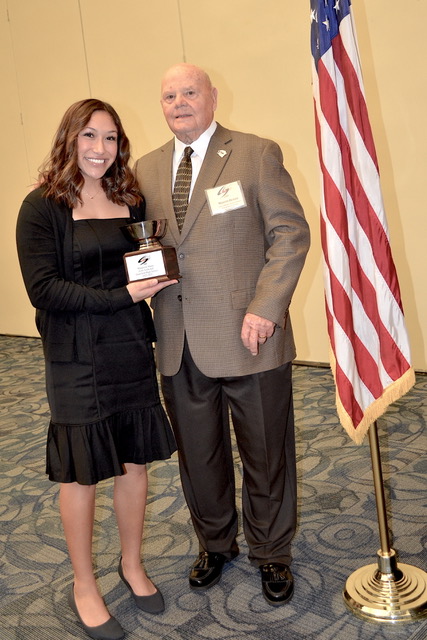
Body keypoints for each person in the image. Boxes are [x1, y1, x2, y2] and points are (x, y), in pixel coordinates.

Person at [134, 64, 310, 606]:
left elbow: (289, 234)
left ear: (213, 96)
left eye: (190, 92)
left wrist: (266, 307)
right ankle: (215, 543)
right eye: (169, 95)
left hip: (250, 336)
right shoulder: (145, 167)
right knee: (199, 454)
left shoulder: (256, 152)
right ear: (161, 105)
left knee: (265, 451)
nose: (180, 102)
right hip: (179, 338)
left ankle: (272, 551)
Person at [16, 99, 178, 640]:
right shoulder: (40, 207)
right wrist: (124, 295)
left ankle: (131, 566)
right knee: (83, 471)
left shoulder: (127, 199)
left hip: (130, 346)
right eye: (89, 136)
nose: (99, 149)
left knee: (134, 463)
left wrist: (154, 283)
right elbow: (44, 290)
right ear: (69, 139)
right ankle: (84, 584)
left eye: (110, 139)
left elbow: (142, 262)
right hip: (76, 356)